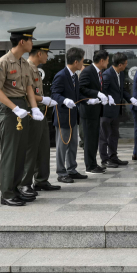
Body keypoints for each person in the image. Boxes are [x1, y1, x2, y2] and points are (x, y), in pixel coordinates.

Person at [0, 27, 44, 206]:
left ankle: (15, 189)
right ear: (22, 42)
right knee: (11, 152)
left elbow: (29, 86)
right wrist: (14, 108)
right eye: (31, 41)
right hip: (9, 108)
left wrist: (34, 108)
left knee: (21, 151)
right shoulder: (3, 62)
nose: (32, 44)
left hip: (23, 105)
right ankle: (6, 193)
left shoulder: (24, 64)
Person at [22, 41, 61, 194]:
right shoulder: (26, 68)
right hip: (31, 113)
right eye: (46, 53)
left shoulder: (35, 69)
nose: (47, 57)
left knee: (43, 148)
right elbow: (25, 93)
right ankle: (25, 183)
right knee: (31, 150)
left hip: (40, 113)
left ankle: (41, 180)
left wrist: (45, 100)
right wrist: (42, 100)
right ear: (39, 53)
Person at [52, 47, 92, 184]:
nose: (83, 64)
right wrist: (64, 100)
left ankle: (71, 169)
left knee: (73, 144)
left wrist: (88, 100)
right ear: (76, 62)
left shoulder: (74, 75)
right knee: (62, 146)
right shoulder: (61, 75)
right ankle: (61, 172)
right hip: (63, 116)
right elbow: (54, 94)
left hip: (73, 116)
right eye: (81, 61)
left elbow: (77, 95)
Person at [100, 52, 137, 168]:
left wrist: (130, 98)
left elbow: (122, 90)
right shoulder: (107, 74)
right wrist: (107, 97)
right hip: (106, 111)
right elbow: (102, 91)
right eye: (125, 64)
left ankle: (113, 157)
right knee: (104, 137)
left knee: (114, 135)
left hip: (116, 111)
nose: (126, 65)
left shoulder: (121, 74)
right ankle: (104, 159)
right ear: (120, 64)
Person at [78, 49, 110, 175]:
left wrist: (105, 96)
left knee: (94, 139)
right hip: (88, 111)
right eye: (107, 60)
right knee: (89, 140)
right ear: (102, 61)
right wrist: (95, 94)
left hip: (96, 110)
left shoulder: (98, 72)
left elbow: (99, 87)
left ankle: (93, 163)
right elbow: (81, 88)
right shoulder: (88, 71)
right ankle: (89, 166)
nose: (108, 63)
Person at [78, 59, 92, 149]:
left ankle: (90, 140)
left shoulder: (93, 76)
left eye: (88, 66)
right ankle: (83, 141)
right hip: (82, 102)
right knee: (82, 123)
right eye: (84, 66)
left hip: (93, 103)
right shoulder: (79, 76)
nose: (86, 68)